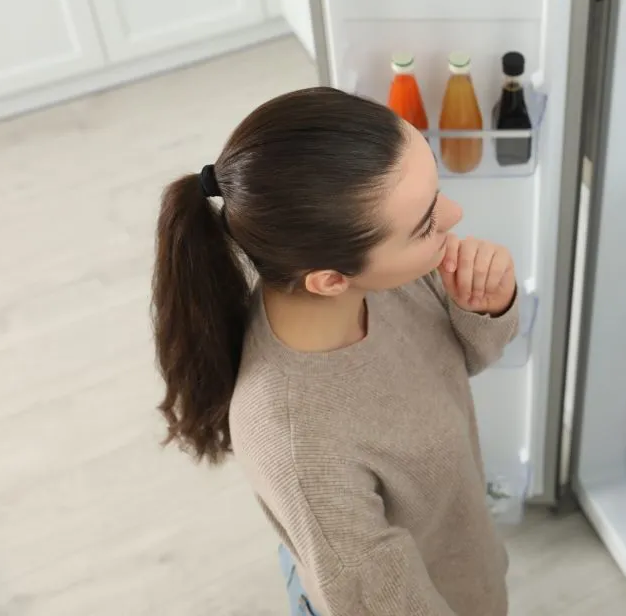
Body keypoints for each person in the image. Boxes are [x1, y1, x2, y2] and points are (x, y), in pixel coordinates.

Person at [151, 87, 519, 615]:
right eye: (425, 224)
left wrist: (486, 305)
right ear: (328, 280)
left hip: (461, 559)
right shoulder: (301, 447)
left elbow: (464, 359)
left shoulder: (389, 277)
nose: (455, 215)